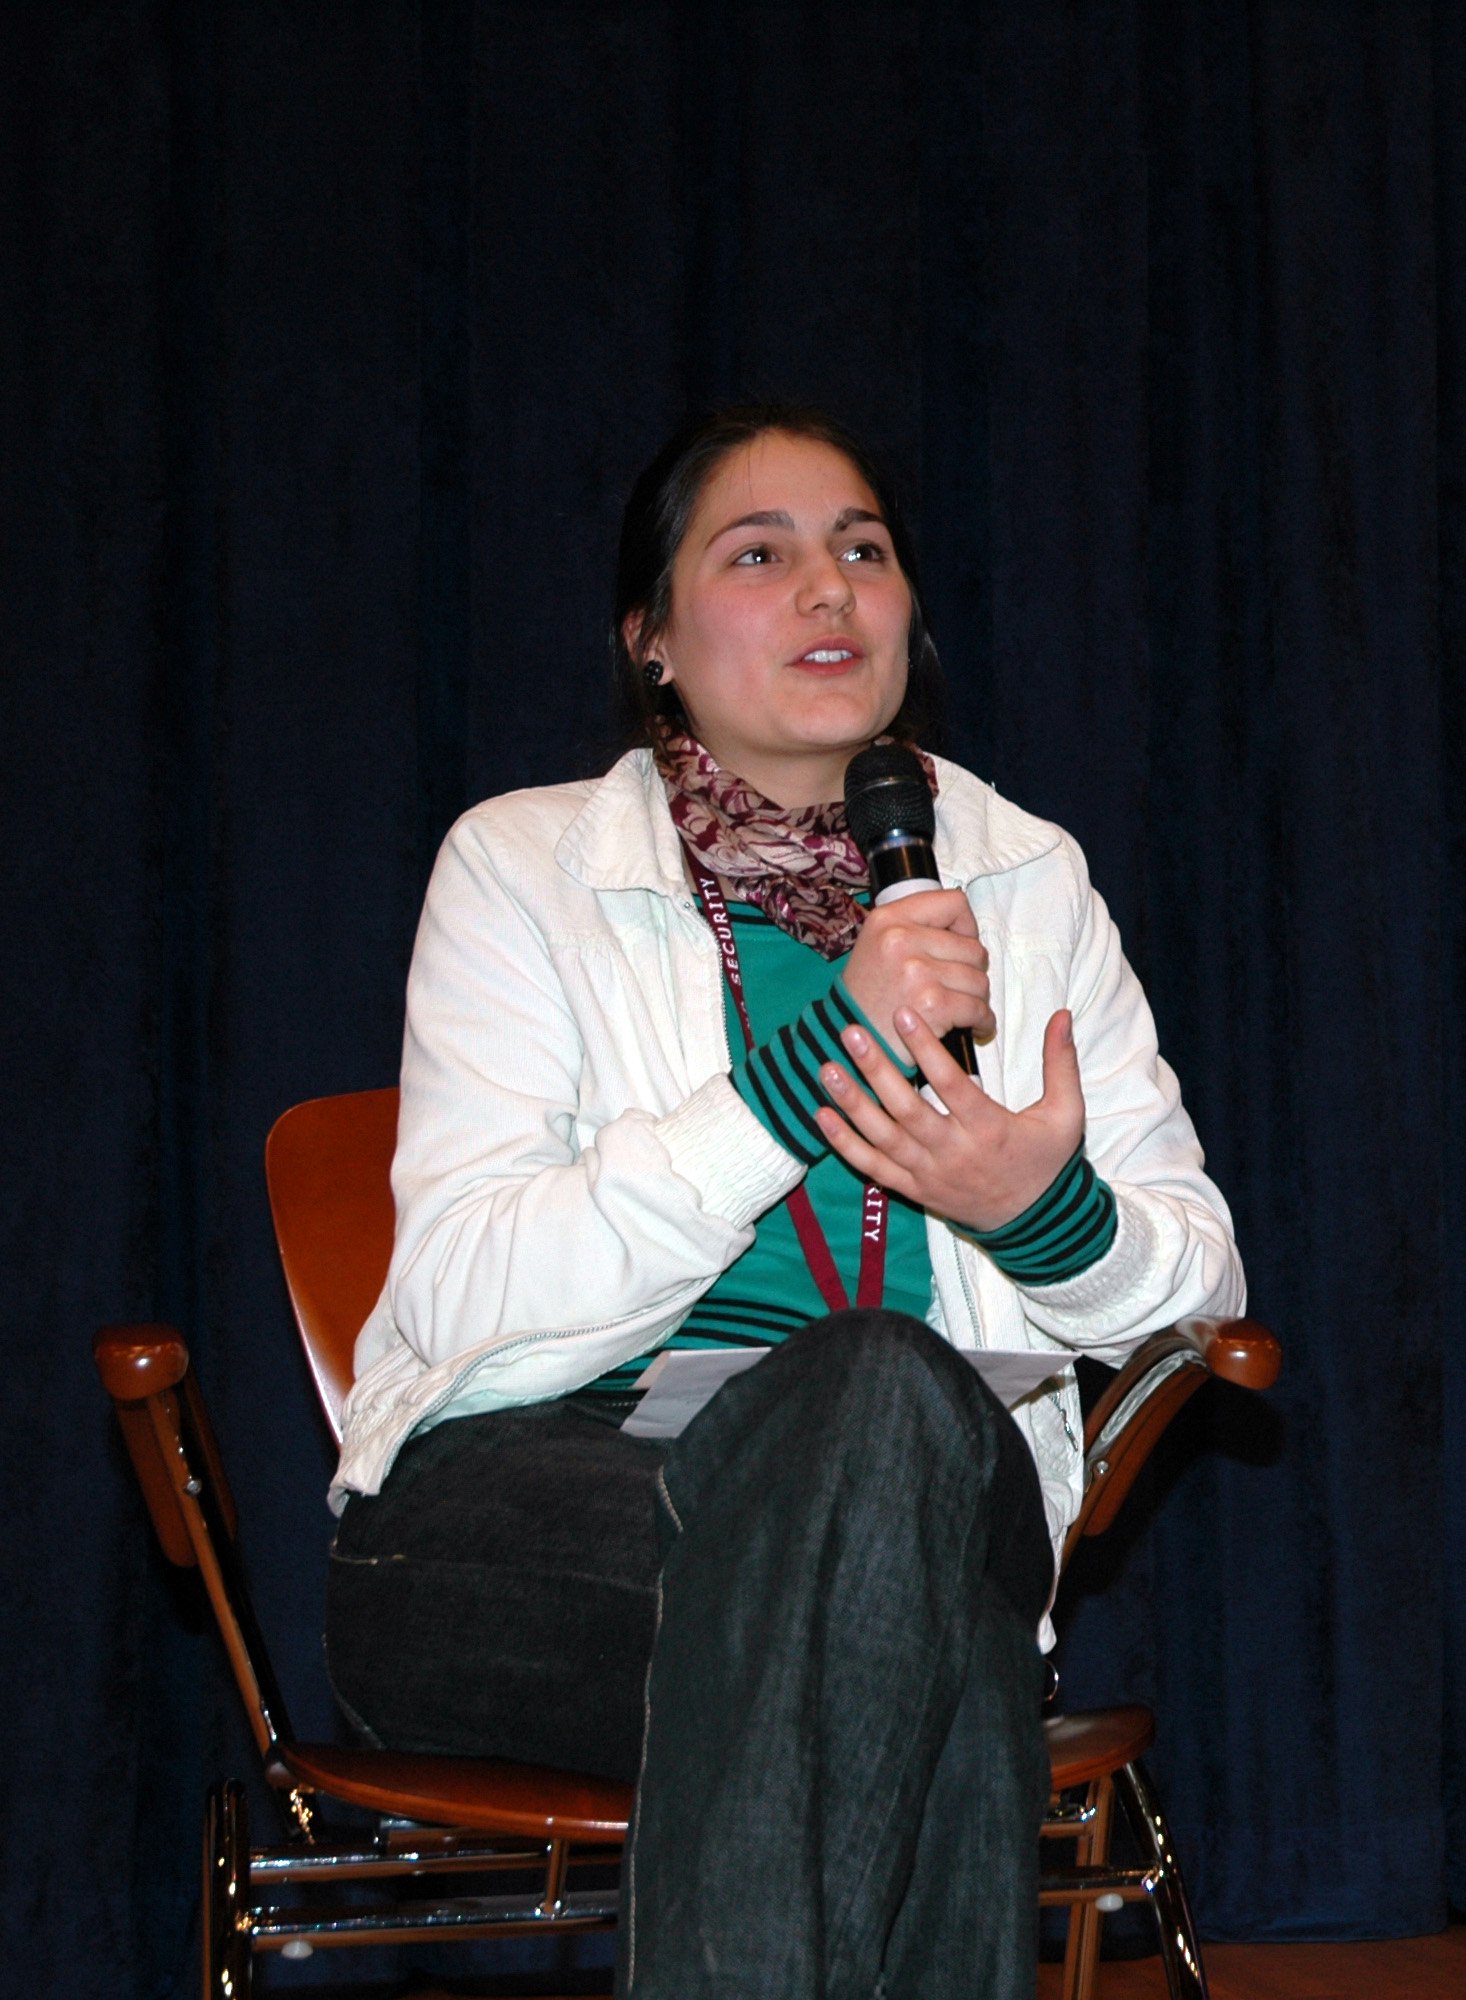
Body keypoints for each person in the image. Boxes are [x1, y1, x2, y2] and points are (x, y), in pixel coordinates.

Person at [321, 402, 1243, 1996]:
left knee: (883, 1433)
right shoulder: (523, 867)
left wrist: (1045, 1219)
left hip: (911, 1513)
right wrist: (800, 1072)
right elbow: (459, 1298)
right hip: (537, 1516)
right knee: (930, 1632)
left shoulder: (1022, 878)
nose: (833, 590)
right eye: (762, 555)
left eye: (864, 552)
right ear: (653, 642)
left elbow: (1199, 1290)